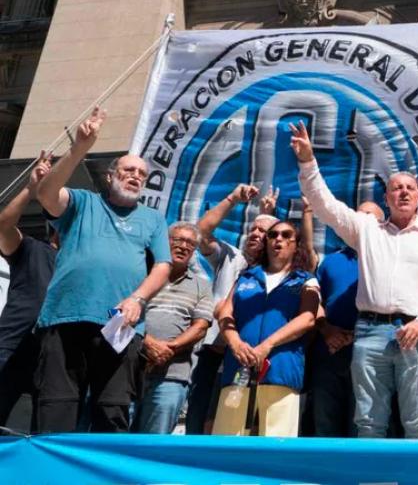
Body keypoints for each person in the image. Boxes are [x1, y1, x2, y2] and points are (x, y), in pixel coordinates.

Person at [290, 122, 418, 439]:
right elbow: (325, 205)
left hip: (417, 334)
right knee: (368, 423)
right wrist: (308, 161)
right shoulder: (367, 230)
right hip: (369, 333)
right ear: (386, 198)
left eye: (410, 187)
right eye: (397, 187)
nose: (404, 192)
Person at [34, 108, 172, 433]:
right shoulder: (83, 202)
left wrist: (137, 298)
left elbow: (163, 265)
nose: (136, 176)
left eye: (142, 173)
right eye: (128, 170)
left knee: (112, 413)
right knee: (56, 412)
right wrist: (80, 147)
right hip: (65, 319)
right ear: (110, 176)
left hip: (120, 326)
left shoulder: (153, 219)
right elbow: (46, 194)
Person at [212, 220, 319, 436]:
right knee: (228, 440)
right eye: (273, 235)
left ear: (296, 244)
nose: (278, 239)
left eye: (286, 235)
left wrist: (267, 345)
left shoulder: (306, 280)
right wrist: (235, 343)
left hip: (281, 370)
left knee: (276, 442)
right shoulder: (246, 276)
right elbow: (225, 313)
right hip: (238, 368)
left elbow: (308, 318)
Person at [190, 183, 279, 433]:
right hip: (214, 350)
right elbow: (202, 232)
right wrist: (232, 199)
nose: (255, 235)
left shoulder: (276, 273)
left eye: (264, 232)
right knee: (199, 417)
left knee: (236, 421)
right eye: (253, 229)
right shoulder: (232, 257)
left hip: (248, 353)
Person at [134, 222, 214, 434]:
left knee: (155, 443)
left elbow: (201, 327)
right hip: (129, 369)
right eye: (177, 240)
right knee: (115, 436)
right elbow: (115, 312)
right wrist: (147, 343)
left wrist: (167, 349)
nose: (183, 246)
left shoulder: (202, 285)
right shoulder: (139, 274)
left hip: (172, 376)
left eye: (190, 243)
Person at [309, 202, 381, 438]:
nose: (362, 221)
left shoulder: (386, 260)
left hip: (372, 355)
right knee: (324, 423)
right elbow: (313, 301)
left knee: (363, 425)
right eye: (359, 215)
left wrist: (357, 336)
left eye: (370, 217)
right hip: (329, 352)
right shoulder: (330, 261)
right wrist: (326, 330)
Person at [0, 153, 57, 431]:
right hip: (10, 345)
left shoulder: (86, 264)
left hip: (52, 356)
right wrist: (30, 189)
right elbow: (3, 226)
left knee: (41, 433)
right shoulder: (33, 248)